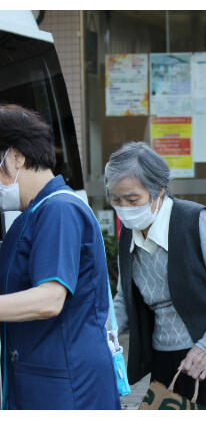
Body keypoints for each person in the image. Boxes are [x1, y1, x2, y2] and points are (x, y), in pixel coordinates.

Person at [106, 142, 206, 410]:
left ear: (158, 190)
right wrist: (102, 334)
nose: (124, 209)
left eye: (132, 200)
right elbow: (125, 297)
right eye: (115, 200)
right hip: (162, 353)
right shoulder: (129, 234)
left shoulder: (195, 223)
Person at [0, 104, 120, 409]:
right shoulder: (30, 215)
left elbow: (49, 300)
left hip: (68, 384)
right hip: (41, 378)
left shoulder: (60, 210)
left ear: (16, 157)